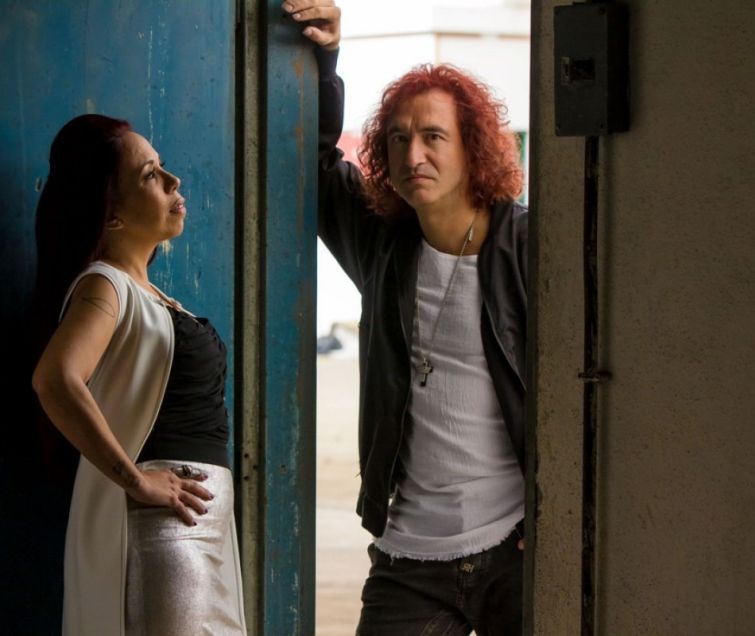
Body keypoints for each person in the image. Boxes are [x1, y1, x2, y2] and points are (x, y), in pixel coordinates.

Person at [288, 2, 528, 633]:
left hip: (516, 547)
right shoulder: (383, 245)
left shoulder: (527, 247)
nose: (413, 153)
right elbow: (315, 164)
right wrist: (326, 59)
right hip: (411, 556)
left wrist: (559, 512)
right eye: (398, 138)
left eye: (433, 137)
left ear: (473, 148)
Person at [31, 114, 246, 636]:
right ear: (111, 215)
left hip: (200, 529)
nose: (173, 181)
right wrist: (136, 480)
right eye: (150, 175)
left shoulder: (146, 292)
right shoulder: (104, 286)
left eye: (162, 167)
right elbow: (55, 379)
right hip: (166, 535)